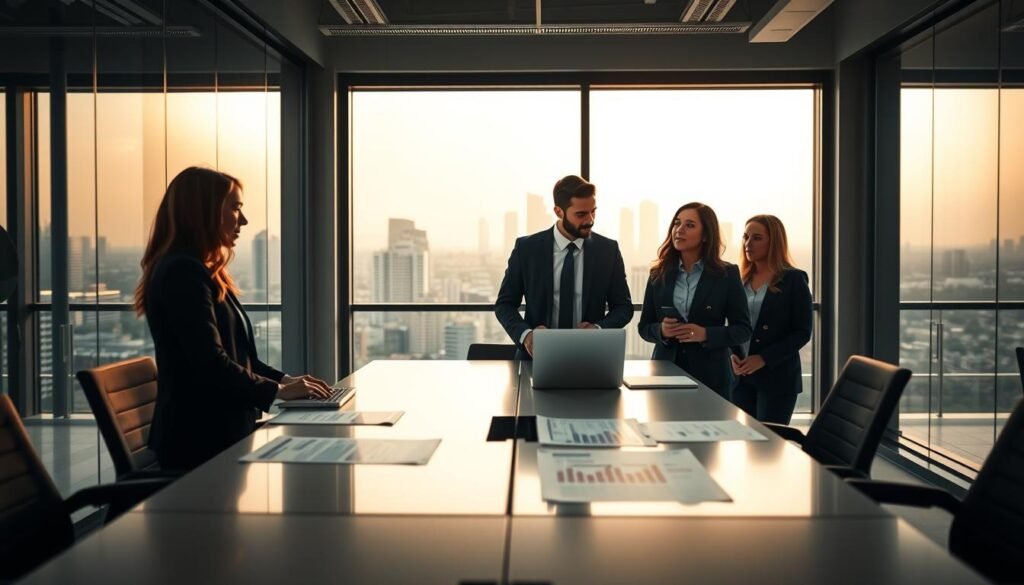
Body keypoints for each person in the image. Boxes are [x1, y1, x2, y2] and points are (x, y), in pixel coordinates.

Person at [134, 166, 332, 471]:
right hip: (200, 446)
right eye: (235, 208)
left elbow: (237, 356)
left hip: (221, 436)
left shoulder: (201, 271)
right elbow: (209, 362)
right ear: (205, 212)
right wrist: (276, 392)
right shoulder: (183, 272)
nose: (243, 220)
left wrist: (284, 380)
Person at [494, 175, 633, 360]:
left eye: (593, 211)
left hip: (591, 356)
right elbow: (505, 305)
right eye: (581, 214)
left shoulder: (608, 250)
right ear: (559, 211)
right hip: (536, 357)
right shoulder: (527, 249)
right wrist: (526, 335)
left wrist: (598, 329)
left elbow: (623, 307)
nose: (590, 220)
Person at [637, 202, 750, 397]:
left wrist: (705, 334)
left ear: (706, 235)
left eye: (689, 225)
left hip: (712, 375)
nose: (679, 230)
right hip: (666, 373)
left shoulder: (727, 274)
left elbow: (742, 330)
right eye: (677, 223)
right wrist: (662, 330)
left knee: (712, 428)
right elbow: (644, 327)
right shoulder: (658, 274)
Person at [730, 215, 812, 424]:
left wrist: (763, 359)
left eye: (757, 238)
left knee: (770, 446)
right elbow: (732, 326)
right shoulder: (740, 280)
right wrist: (732, 355)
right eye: (745, 237)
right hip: (740, 377)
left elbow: (802, 332)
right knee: (743, 442)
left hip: (777, 377)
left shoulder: (794, 279)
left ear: (773, 241)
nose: (748, 244)